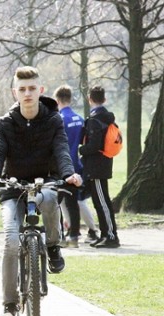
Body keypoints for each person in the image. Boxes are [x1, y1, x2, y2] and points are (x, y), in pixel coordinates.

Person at [0, 66, 82, 316]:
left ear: (41, 91)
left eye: (32, 88)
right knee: (11, 241)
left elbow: (61, 149)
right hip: (12, 187)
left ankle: (53, 246)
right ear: (15, 92)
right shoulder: (4, 122)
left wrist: (69, 174)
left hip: (44, 180)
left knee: (49, 199)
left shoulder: (53, 120)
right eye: (22, 89)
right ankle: (9, 306)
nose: (27, 93)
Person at [53, 85, 99, 247]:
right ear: (70, 99)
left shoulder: (58, 119)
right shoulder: (79, 119)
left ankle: (63, 234)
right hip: (77, 165)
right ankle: (75, 234)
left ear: (57, 100)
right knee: (75, 201)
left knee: (56, 201)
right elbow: (82, 142)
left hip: (62, 166)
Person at [79, 86, 120, 248]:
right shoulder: (104, 117)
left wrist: (81, 150)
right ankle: (105, 234)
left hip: (97, 166)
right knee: (99, 201)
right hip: (101, 164)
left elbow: (94, 145)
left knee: (102, 202)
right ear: (104, 99)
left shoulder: (96, 119)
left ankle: (111, 236)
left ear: (90, 99)